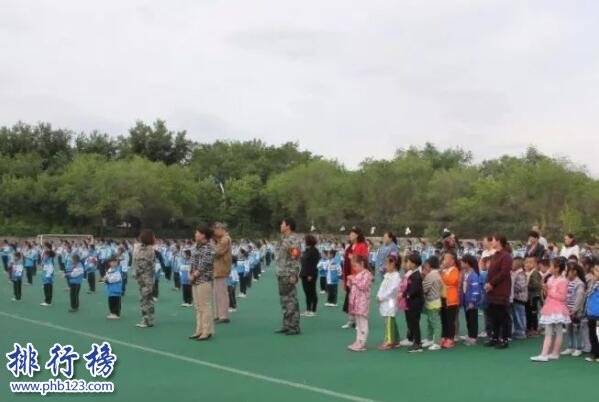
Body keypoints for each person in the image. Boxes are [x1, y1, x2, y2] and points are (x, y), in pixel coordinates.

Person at [531, 257, 571, 362]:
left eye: (552, 266)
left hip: (557, 308)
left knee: (557, 331)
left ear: (557, 268)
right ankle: (550, 353)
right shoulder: (550, 278)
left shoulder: (563, 280)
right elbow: (547, 293)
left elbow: (562, 297)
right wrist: (545, 289)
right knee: (550, 331)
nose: (550, 268)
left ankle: (550, 353)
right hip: (549, 306)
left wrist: (549, 291)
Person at [484, 235, 513, 349]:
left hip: (501, 289)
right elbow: (491, 271)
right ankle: (495, 337)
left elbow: (504, 273)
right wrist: (488, 283)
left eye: (494, 240)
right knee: (493, 315)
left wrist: (492, 283)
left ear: (499, 242)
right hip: (492, 290)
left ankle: (504, 339)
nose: (492, 242)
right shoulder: (495, 255)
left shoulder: (506, 256)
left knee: (502, 316)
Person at [275, 218, 302, 336]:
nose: (281, 225)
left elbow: (295, 258)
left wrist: (293, 273)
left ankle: (294, 326)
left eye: (282, 224)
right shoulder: (283, 238)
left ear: (288, 226)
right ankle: (286, 324)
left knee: (291, 300)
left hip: (288, 273)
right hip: (281, 272)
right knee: (284, 300)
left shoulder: (293, 240)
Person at [188, 226, 216, 341]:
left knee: (205, 305)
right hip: (194, 279)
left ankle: (207, 331)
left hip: (204, 279)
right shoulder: (195, 246)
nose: (195, 234)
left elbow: (205, 265)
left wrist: (194, 274)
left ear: (204, 235)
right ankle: (199, 330)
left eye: (197, 232)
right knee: (198, 306)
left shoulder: (208, 248)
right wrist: (190, 274)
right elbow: (192, 261)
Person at [342, 227, 369, 329]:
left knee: (358, 299)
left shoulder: (362, 246)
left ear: (357, 235)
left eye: (352, 234)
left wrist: (353, 258)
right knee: (350, 298)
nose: (350, 235)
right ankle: (351, 320)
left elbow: (364, 260)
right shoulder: (349, 247)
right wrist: (344, 279)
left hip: (358, 276)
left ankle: (359, 322)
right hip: (349, 276)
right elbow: (345, 262)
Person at [347, 255, 373, 352]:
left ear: (362, 264)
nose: (354, 268)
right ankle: (358, 341)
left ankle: (362, 342)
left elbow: (363, 286)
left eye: (355, 266)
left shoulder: (367, 274)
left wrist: (353, 280)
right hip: (356, 302)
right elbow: (353, 286)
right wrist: (350, 281)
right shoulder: (358, 274)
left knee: (363, 322)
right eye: (353, 266)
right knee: (358, 323)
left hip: (362, 302)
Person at [133, 229, 157, 328]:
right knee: (149, 299)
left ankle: (146, 320)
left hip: (145, 278)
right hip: (147, 277)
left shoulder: (148, 250)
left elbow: (140, 263)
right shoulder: (145, 248)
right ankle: (150, 319)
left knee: (144, 299)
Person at [376, 255, 401, 350]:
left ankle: (390, 341)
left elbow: (392, 290)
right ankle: (396, 339)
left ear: (393, 264)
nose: (385, 265)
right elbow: (382, 287)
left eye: (387, 263)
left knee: (389, 318)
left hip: (390, 301)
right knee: (390, 318)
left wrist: (381, 297)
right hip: (385, 301)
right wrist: (379, 295)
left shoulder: (396, 277)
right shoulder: (388, 275)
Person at [561, 263, 586, 357]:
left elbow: (579, 298)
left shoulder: (579, 283)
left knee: (577, 329)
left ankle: (578, 348)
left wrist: (574, 310)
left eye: (568, 271)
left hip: (575, 311)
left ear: (575, 272)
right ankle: (570, 347)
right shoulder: (567, 281)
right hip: (567, 309)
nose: (566, 272)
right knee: (569, 329)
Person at [402, 252, 424, 352]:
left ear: (414, 264)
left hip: (415, 302)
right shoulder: (412, 274)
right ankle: (414, 340)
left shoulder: (416, 275)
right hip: (411, 302)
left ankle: (418, 343)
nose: (407, 264)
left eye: (409, 262)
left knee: (414, 322)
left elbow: (413, 290)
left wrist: (406, 295)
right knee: (411, 321)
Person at [213, 222, 233, 324]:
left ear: (221, 229)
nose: (215, 232)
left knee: (221, 293)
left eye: (216, 230)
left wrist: (211, 248)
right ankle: (219, 314)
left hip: (222, 268)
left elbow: (217, 252)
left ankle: (223, 315)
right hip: (218, 269)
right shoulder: (222, 239)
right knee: (217, 293)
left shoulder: (225, 239)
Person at [422, 256, 443, 350]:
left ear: (429, 265)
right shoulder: (437, 274)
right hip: (435, 301)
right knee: (430, 322)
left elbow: (424, 288)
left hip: (433, 301)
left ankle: (437, 342)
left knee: (435, 322)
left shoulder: (431, 275)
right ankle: (430, 339)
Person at [440, 251, 460, 349]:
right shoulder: (443, 271)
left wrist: (443, 277)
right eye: (444, 259)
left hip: (451, 299)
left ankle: (450, 338)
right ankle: (444, 336)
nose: (444, 261)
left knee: (450, 320)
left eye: (446, 259)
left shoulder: (455, 270)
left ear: (452, 261)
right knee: (444, 319)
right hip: (443, 298)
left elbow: (453, 281)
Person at [460, 254, 481, 345]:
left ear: (468, 263)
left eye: (463, 262)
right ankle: (470, 335)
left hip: (472, 302)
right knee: (468, 319)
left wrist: (473, 301)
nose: (461, 263)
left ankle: (473, 337)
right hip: (465, 300)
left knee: (473, 319)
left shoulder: (474, 275)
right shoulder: (465, 273)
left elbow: (476, 290)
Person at [300, 234, 321, 317]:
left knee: (312, 292)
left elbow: (314, 264)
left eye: (305, 240)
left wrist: (310, 275)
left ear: (308, 241)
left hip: (310, 274)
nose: (304, 242)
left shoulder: (314, 251)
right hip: (304, 274)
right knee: (307, 292)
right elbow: (303, 261)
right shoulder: (306, 250)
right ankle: (308, 309)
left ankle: (313, 310)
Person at [525, 256, 543, 337]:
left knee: (533, 313)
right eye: (526, 262)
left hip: (534, 297)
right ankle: (529, 328)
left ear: (535, 264)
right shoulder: (527, 272)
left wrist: (527, 285)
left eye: (530, 262)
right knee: (528, 313)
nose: (527, 264)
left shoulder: (535, 273)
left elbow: (537, 285)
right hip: (528, 297)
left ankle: (534, 329)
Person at [511, 257, 528, 340]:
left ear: (517, 264)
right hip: (515, 297)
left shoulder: (521, 274)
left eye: (513, 263)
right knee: (515, 315)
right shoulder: (515, 273)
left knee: (519, 315)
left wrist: (512, 287)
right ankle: (517, 330)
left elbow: (521, 286)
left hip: (520, 298)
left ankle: (521, 331)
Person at [585, 264, 599, 362]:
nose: (594, 273)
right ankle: (595, 353)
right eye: (594, 271)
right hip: (591, 312)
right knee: (592, 334)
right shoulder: (592, 284)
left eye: (597, 271)